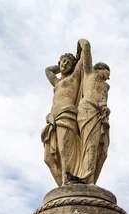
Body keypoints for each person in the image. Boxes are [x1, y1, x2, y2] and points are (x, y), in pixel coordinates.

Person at [42, 48, 84, 187]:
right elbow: (48, 70)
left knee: (63, 150)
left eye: (68, 62)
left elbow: (84, 56)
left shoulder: (74, 78)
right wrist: (61, 65)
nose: (64, 64)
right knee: (48, 157)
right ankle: (63, 185)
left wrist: (76, 60)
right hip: (53, 118)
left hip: (66, 114)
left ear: (73, 66)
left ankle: (67, 181)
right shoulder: (57, 83)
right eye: (62, 61)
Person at [76, 39, 111, 184]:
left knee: (102, 152)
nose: (108, 77)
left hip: (102, 116)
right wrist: (80, 50)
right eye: (107, 72)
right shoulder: (89, 73)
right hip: (88, 110)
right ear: (101, 69)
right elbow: (86, 45)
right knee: (90, 144)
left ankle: (91, 179)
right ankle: (86, 178)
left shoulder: (105, 86)